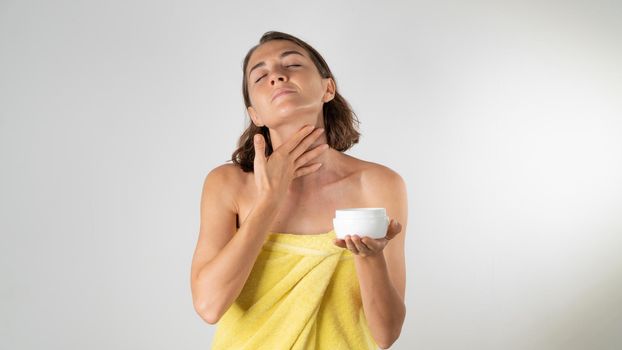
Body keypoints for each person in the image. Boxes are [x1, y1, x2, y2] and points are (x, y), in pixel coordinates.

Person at [190, 31, 407, 349]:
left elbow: (386, 335)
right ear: (256, 115)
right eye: (260, 76)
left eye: (291, 64)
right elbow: (209, 306)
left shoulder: (379, 184)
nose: (277, 76)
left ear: (327, 88)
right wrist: (270, 199)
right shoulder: (227, 184)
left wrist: (371, 259)